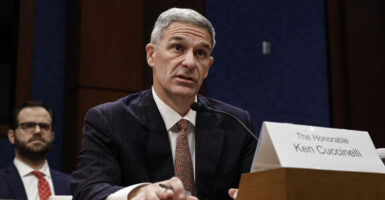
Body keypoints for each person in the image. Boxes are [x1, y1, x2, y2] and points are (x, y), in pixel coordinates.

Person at [71, 7, 257, 200]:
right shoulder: (109, 120)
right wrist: (139, 193)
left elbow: (257, 189)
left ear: (207, 68)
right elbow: (88, 190)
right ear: (151, 55)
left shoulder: (236, 123)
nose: (190, 62)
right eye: (178, 48)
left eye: (200, 53)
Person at [0, 101, 71, 200]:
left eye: (44, 126)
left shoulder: (71, 184)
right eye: (28, 125)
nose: (37, 131)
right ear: (12, 136)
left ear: (52, 136)